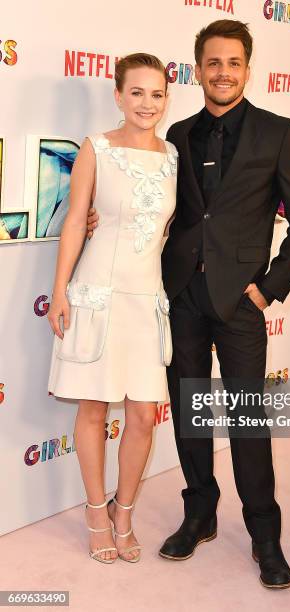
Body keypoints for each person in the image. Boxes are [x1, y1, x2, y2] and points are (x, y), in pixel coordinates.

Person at [88, 19, 290, 588]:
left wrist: (267, 288)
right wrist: (99, 217)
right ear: (198, 70)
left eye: (233, 62)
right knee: (191, 417)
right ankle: (199, 513)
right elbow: (146, 205)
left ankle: (265, 535)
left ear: (247, 67)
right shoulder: (177, 140)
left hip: (241, 304)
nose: (222, 72)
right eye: (212, 63)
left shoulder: (279, 133)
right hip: (181, 300)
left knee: (246, 420)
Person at [48, 53, 177, 564]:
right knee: (94, 408)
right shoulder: (95, 148)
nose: (147, 103)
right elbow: (77, 220)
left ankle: (126, 511)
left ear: (167, 99)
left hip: (146, 299)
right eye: (138, 93)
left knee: (144, 414)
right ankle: (96, 512)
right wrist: (60, 290)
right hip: (97, 292)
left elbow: (166, 230)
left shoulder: (172, 156)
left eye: (157, 94)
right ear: (119, 95)